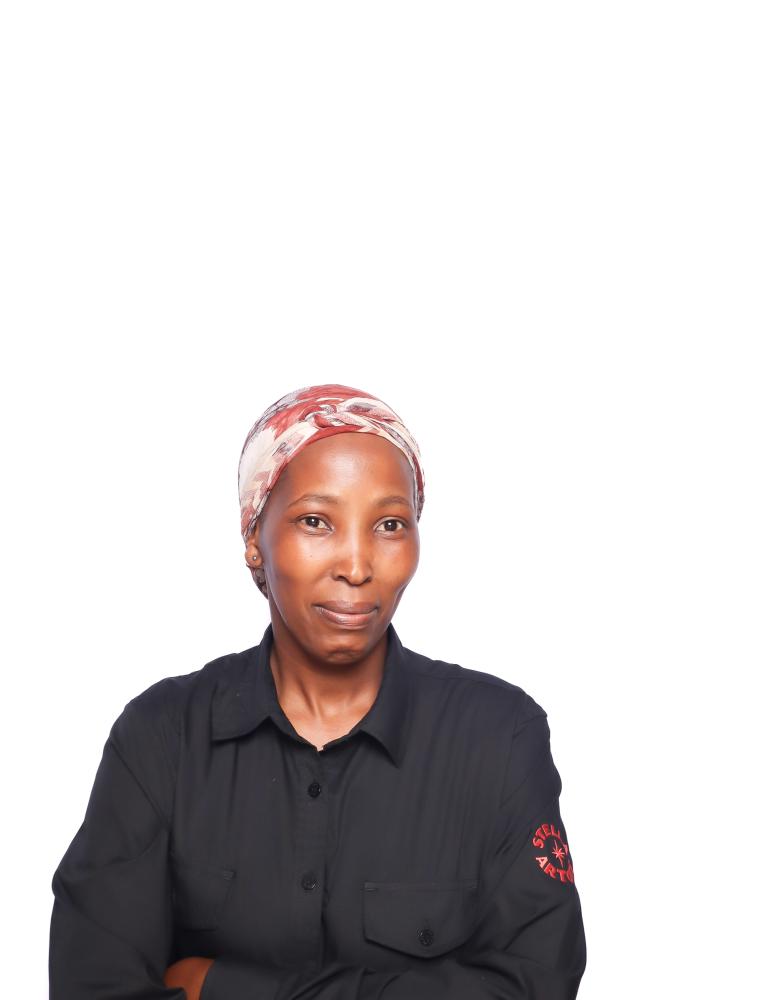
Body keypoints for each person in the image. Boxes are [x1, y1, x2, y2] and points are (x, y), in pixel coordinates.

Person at [49, 383, 587, 1000]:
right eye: (315, 522)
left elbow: (536, 985)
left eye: (389, 524)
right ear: (254, 538)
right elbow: (93, 986)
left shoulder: (499, 736)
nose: (356, 566)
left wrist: (221, 987)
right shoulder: (161, 738)